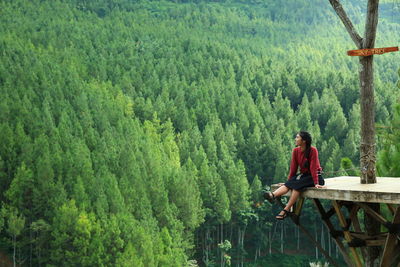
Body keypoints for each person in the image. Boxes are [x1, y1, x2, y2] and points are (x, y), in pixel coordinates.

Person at [264, 131, 325, 220]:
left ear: (304, 141)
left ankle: (285, 210)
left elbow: (313, 168)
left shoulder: (313, 150)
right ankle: (272, 195)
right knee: (289, 184)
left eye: (297, 137)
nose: (295, 139)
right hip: (304, 176)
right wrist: (288, 182)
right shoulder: (296, 151)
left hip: (315, 176)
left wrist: (316, 183)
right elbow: (293, 168)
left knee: (297, 186)